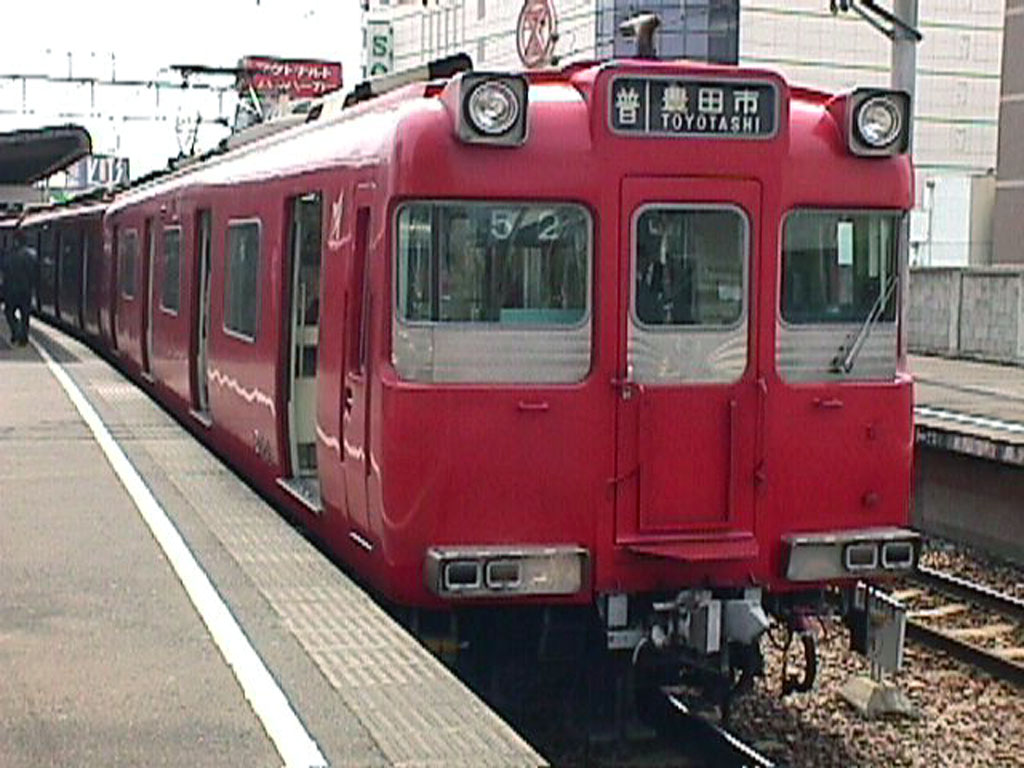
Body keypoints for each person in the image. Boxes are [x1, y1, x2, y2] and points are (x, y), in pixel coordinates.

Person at [4, 231, 37, 347]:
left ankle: (16, 331)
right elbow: (34, 274)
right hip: (26, 290)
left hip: (11, 290)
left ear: (15, 241)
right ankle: (24, 337)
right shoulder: (31, 256)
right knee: (25, 314)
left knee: (9, 312)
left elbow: (5, 271)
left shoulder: (9, 255)